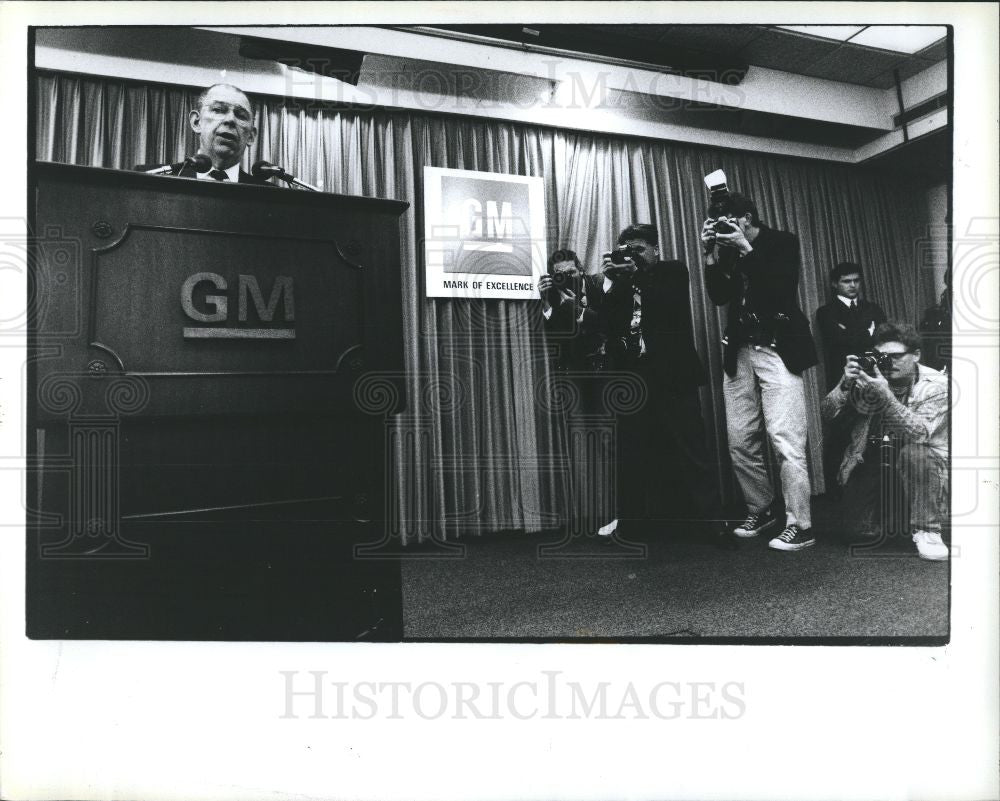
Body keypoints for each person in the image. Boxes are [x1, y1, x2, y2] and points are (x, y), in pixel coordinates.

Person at [588, 224, 728, 543]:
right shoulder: (617, 283)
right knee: (631, 456)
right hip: (633, 379)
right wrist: (612, 284)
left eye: (639, 249)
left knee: (693, 451)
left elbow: (667, 306)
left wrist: (634, 274)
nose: (632, 255)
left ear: (656, 250)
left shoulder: (673, 271)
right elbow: (608, 326)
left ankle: (714, 524)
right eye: (626, 249)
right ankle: (632, 526)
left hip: (673, 375)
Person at [701, 192, 818, 551]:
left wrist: (747, 251)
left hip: (778, 348)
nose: (726, 229)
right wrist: (710, 254)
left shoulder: (781, 242)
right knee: (740, 439)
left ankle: (801, 523)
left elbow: (779, 289)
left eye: (731, 222)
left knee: (786, 437)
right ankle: (762, 507)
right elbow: (720, 296)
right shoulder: (728, 252)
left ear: (747, 218)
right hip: (740, 350)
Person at [821, 322, 949, 561]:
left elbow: (919, 434)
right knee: (857, 533)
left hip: (925, 461)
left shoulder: (936, 386)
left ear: (916, 355)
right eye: (883, 356)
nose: (889, 363)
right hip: (878, 457)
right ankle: (900, 516)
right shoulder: (869, 377)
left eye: (897, 356)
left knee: (914, 454)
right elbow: (828, 414)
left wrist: (886, 397)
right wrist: (844, 384)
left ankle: (927, 529)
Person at [538, 249, 614, 540]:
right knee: (587, 446)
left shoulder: (597, 285)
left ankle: (623, 512)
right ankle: (598, 511)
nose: (566, 278)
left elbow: (609, 321)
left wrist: (578, 311)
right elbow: (554, 338)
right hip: (578, 375)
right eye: (560, 274)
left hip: (605, 371)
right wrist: (546, 301)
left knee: (611, 442)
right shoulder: (556, 296)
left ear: (581, 269)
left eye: (571, 272)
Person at [135, 84, 270, 184]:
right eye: (218, 110)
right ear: (196, 122)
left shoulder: (270, 195)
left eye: (240, 115)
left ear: (251, 136)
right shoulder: (150, 179)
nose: (230, 120)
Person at [816, 262, 887, 392]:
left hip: (875, 375)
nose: (853, 285)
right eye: (846, 281)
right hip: (844, 379)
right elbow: (839, 341)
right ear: (835, 284)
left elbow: (884, 339)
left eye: (856, 280)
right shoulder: (826, 312)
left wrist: (849, 333)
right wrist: (869, 332)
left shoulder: (873, 308)